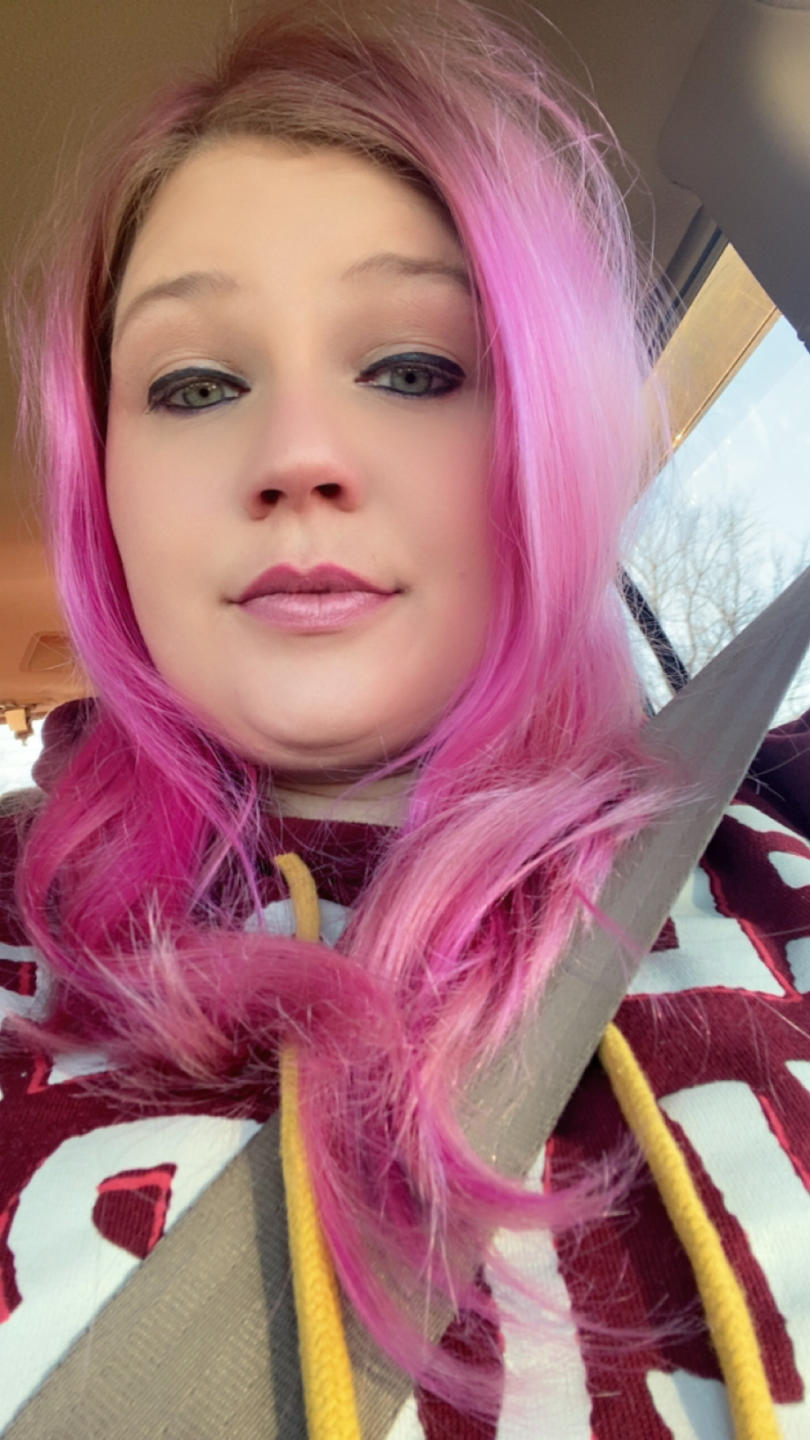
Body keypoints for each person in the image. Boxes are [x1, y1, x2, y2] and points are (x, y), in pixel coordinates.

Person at [2, 1, 809, 1435]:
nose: (298, 453)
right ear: (101, 485)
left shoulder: (777, 825)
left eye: (415, 369)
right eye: (194, 384)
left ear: (544, 435)